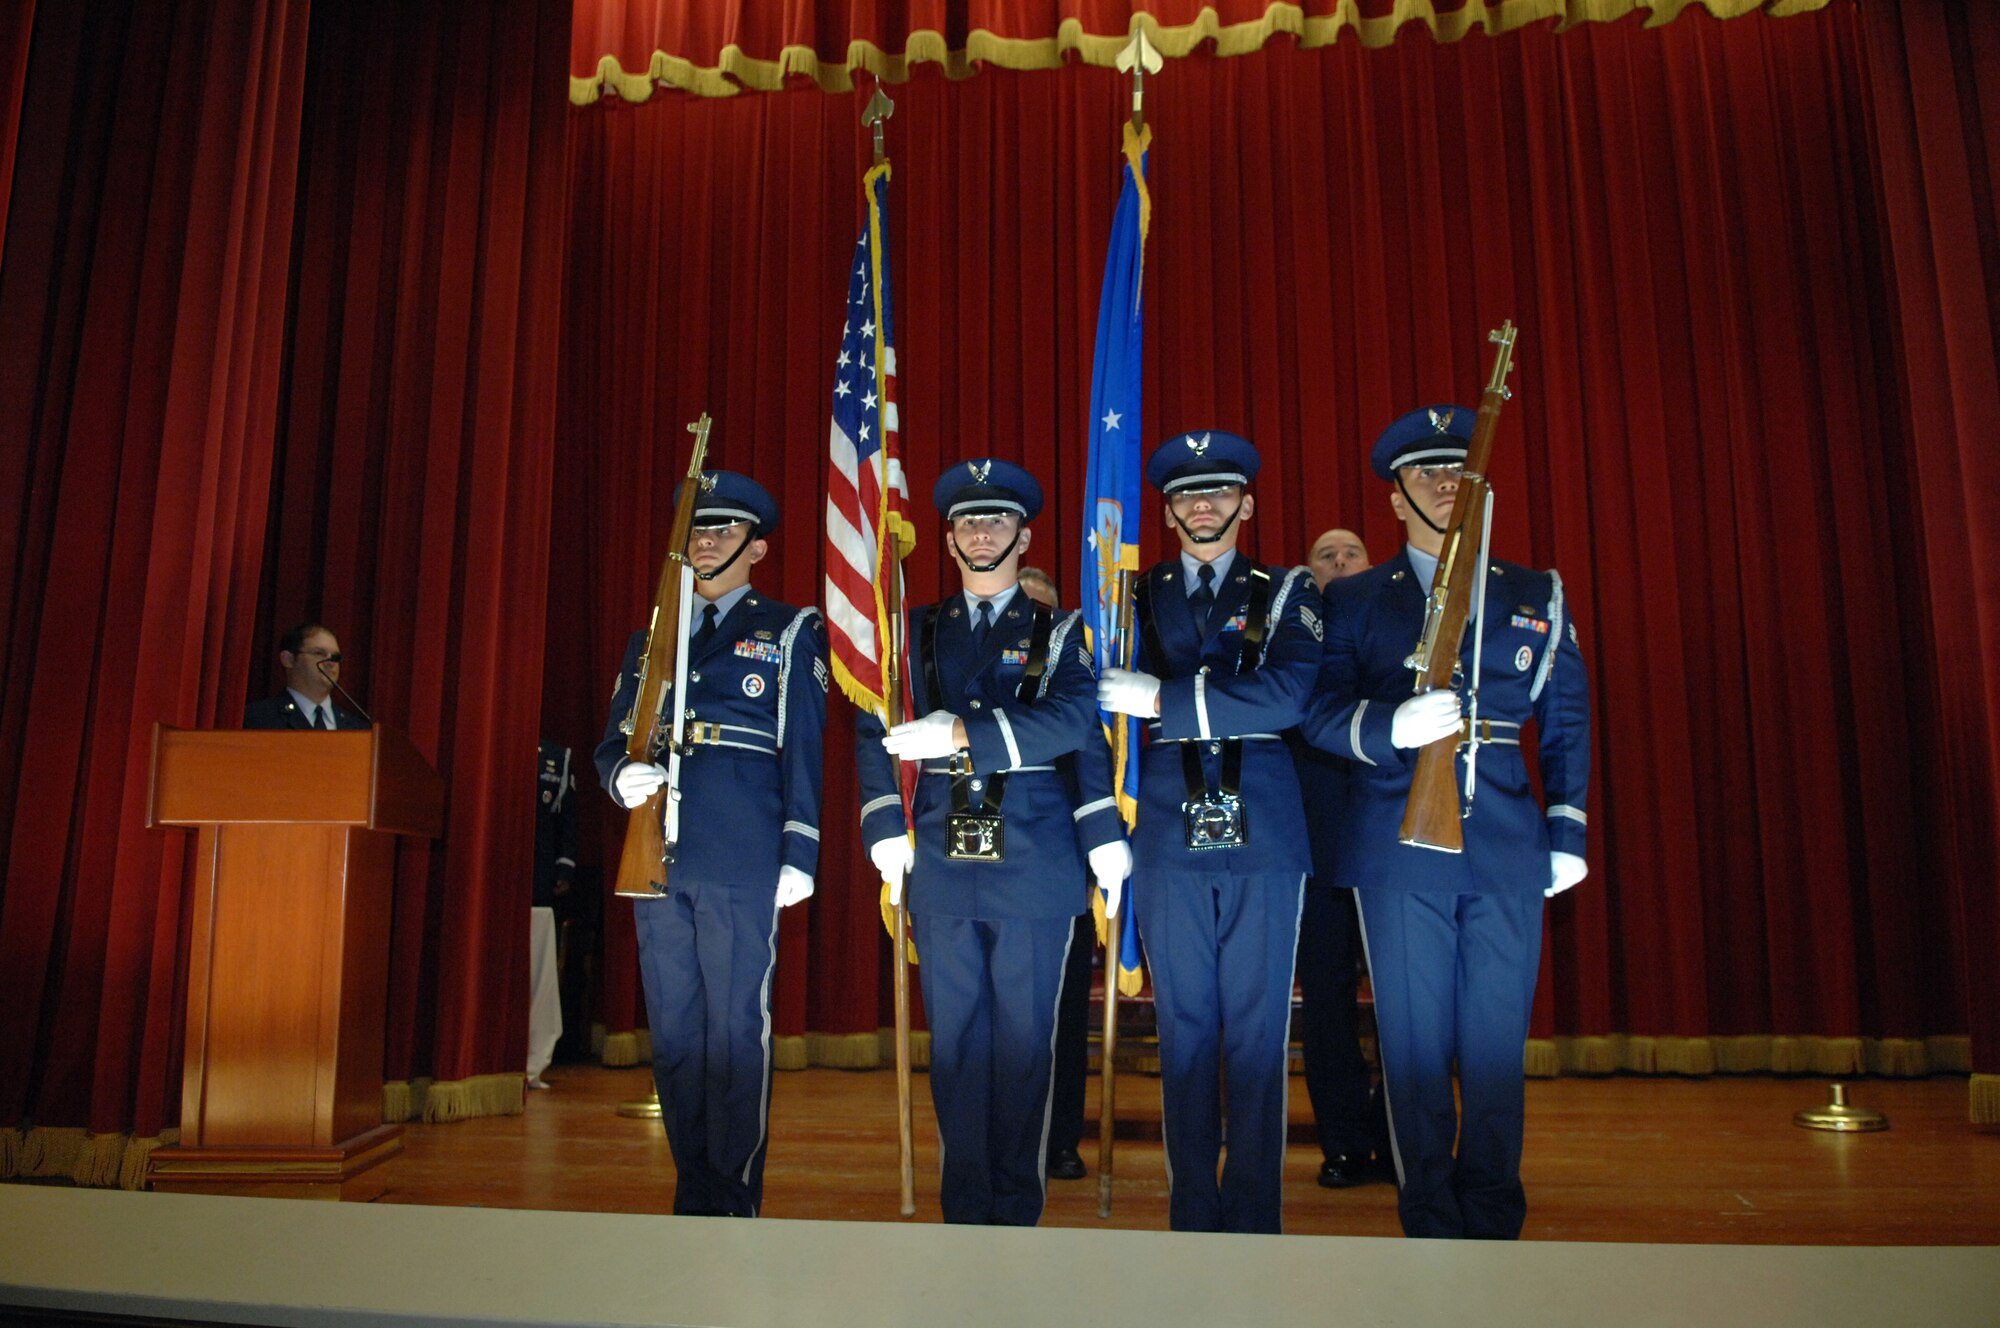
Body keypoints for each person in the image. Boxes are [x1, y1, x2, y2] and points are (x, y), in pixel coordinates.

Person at [1300, 405, 1589, 1240]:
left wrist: (1566, 831)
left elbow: (1566, 720)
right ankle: (1426, 1209)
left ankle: (1495, 1211)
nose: (1440, 483)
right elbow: (1318, 713)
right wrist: (1386, 728)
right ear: (1394, 501)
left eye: (1456, 470)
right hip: (1397, 840)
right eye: (1420, 473)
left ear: (1481, 485)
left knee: (1495, 1044)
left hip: (1504, 844)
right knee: (1415, 1044)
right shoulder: (1355, 598)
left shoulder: (1536, 592)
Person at [858, 460, 1129, 1226]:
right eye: (969, 522)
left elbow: (1078, 724)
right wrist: (883, 822)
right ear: (947, 539)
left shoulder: (1064, 630)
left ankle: (1018, 1206)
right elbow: (868, 725)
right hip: (938, 856)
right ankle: (964, 1205)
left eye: (998, 520)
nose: (983, 532)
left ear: (1024, 533)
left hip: (1037, 860)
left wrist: (961, 733)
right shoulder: (913, 631)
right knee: (954, 1047)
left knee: (1024, 1044)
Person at [1096, 430, 1320, 1234]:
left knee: (1258, 1026)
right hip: (1160, 826)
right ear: (1165, 512)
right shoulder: (1127, 595)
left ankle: (1255, 1209)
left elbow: (1291, 694)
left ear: (1246, 504)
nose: (1203, 506)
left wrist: (1161, 701)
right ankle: (1193, 1205)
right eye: (1187, 496)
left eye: (1220, 492)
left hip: (1264, 827)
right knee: (1185, 1025)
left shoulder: (1289, 589)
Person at [596, 470, 827, 1218]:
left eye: (724, 531)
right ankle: (692, 1183)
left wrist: (800, 848)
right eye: (697, 531)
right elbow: (612, 742)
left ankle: (733, 1189)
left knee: (734, 1029)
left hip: (741, 848)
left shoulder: (790, 630)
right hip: (656, 849)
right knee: (674, 1029)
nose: (706, 543)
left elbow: (804, 748)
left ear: (756, 548)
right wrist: (618, 774)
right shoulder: (650, 639)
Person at [1292, 529, 1386, 1187]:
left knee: (1412, 1007)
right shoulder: (1288, 640)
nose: (1341, 562)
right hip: (1316, 852)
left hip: (1391, 842)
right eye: (1326, 555)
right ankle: (1347, 1143)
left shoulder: (1394, 634)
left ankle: (1409, 1140)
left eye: (1352, 553)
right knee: (1327, 1005)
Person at [1017, 564, 1094, 1183]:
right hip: (992, 853)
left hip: (1068, 855)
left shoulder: (1072, 671)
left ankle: (1061, 1135)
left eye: (1041, 609)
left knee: (1062, 1011)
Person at [243, 623, 366, 730]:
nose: (331, 663)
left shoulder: (358, 728)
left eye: (335, 657)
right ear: (289, 659)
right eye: (319, 653)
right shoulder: (258, 719)